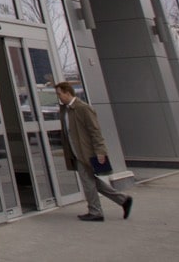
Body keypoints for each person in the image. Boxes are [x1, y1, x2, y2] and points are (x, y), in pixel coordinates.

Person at [55, 81, 133, 222]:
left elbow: (95, 131)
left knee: (88, 182)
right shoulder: (66, 110)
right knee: (91, 181)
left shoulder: (83, 108)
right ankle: (123, 200)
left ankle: (96, 211)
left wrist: (100, 151)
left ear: (67, 93)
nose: (58, 97)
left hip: (86, 153)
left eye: (59, 94)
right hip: (76, 152)